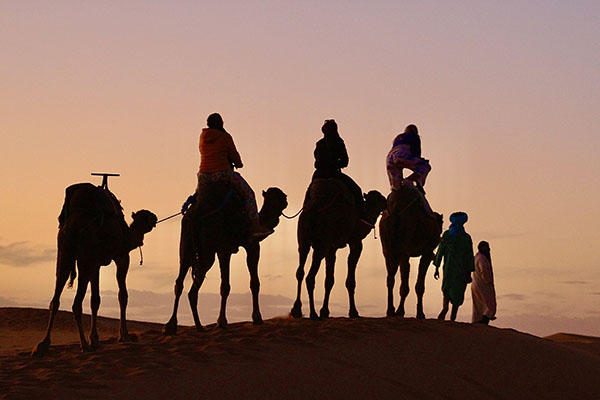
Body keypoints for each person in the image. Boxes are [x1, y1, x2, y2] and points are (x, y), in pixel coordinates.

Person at [193, 113, 272, 238]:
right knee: (249, 194)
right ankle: (255, 226)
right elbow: (235, 157)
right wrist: (239, 163)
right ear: (221, 123)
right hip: (223, 174)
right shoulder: (225, 137)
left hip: (203, 176)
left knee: (196, 198)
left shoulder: (203, 136)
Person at [306, 119, 365, 213]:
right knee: (356, 190)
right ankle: (361, 216)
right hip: (334, 174)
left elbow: (317, 162)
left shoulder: (320, 143)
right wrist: (336, 164)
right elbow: (345, 161)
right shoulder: (339, 142)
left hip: (319, 174)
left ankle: (305, 216)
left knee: (308, 198)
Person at [433, 212, 475, 321]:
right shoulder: (466, 238)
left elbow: (440, 252)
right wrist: (469, 272)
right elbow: (470, 256)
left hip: (448, 269)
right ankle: (452, 318)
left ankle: (445, 309)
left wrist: (436, 267)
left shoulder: (447, 235)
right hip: (461, 271)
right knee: (458, 293)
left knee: (446, 289)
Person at [386, 124, 433, 212]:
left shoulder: (398, 138)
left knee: (396, 188)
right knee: (425, 167)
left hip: (390, 158)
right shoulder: (414, 137)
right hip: (402, 156)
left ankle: (390, 210)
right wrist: (421, 160)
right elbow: (416, 153)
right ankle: (409, 180)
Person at [471, 241, 497, 324]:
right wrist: (488, 281)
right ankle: (483, 324)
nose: (489, 249)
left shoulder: (476, 257)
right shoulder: (482, 259)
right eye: (487, 247)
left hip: (475, 283)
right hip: (483, 284)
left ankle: (477, 323)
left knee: (478, 306)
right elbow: (484, 272)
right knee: (490, 306)